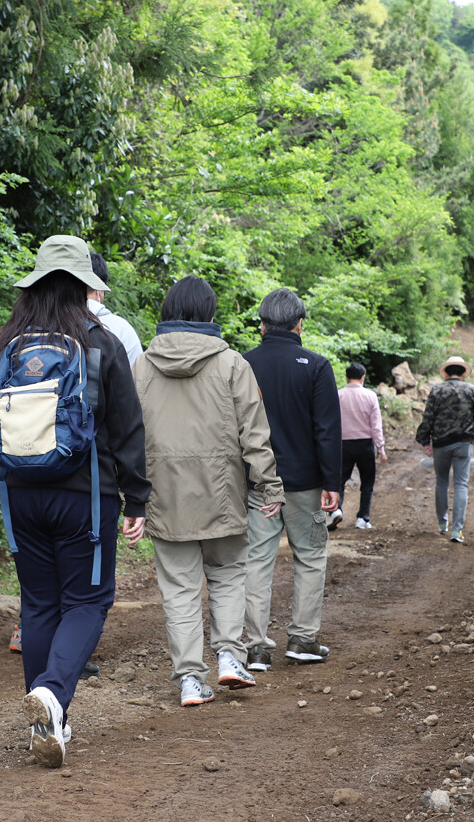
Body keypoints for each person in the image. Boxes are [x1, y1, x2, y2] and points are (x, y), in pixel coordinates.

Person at [0, 234, 150, 768]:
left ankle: (46, 724)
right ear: (82, 288)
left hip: (18, 497)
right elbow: (128, 427)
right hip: (85, 498)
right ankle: (51, 695)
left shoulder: (1, 346)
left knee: (40, 603)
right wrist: (136, 499)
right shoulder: (100, 343)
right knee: (88, 602)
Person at [133, 277, 284, 706]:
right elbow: (255, 433)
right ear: (209, 314)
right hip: (223, 493)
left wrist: (129, 493)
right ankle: (230, 659)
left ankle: (189, 680)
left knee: (179, 588)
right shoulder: (232, 363)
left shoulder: (142, 365)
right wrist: (269, 484)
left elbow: (126, 435)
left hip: (164, 496)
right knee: (229, 575)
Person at [242, 288, 342, 671]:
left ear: (263, 325)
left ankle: (255, 647)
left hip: (259, 484)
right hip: (306, 484)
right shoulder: (316, 366)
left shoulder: (243, 364)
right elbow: (327, 431)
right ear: (300, 324)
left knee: (256, 560)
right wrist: (333, 482)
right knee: (311, 556)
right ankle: (302, 638)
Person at [415, 355, 474, 543]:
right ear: (464, 372)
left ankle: (442, 523)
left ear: (446, 373)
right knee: (461, 484)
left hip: (440, 443)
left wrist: (424, 441)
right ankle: (457, 530)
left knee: (441, 482)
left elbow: (428, 417)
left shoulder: (437, 390)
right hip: (463, 442)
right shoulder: (473, 390)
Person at [331, 362, 387, 530]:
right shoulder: (370, 396)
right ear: (363, 377)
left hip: (343, 444)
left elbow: (331, 422)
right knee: (367, 483)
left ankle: (336, 510)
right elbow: (376, 425)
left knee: (339, 480)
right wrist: (380, 448)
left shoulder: (338, 395)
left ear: (347, 377)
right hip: (364, 444)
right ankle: (362, 518)